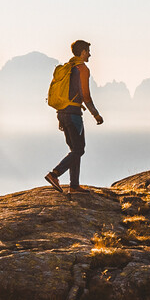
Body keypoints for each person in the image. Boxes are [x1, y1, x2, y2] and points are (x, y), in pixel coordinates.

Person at [46, 39, 104, 192]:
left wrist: (62, 116)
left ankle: (74, 185)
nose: (90, 55)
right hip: (73, 115)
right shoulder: (82, 69)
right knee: (79, 149)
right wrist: (96, 114)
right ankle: (55, 173)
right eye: (88, 52)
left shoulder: (68, 68)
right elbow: (85, 95)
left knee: (74, 149)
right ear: (83, 52)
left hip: (62, 113)